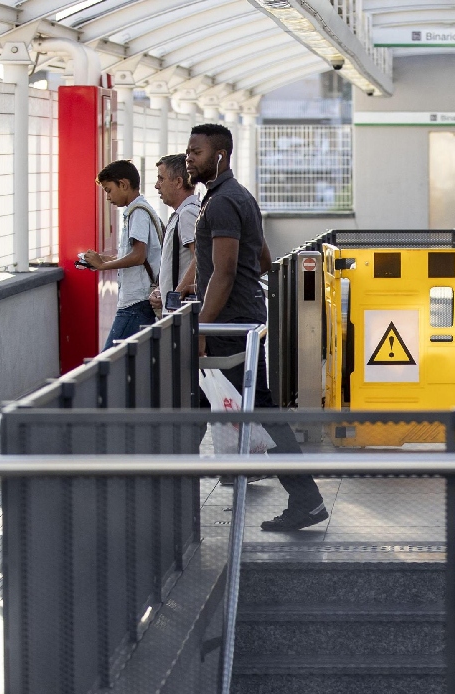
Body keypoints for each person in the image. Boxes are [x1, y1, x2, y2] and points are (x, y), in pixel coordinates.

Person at [185, 123, 327, 531]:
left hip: (227, 326)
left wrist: (202, 327)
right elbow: (260, 260)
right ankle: (171, 498)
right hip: (241, 318)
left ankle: (307, 499)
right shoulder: (238, 196)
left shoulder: (222, 203)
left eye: (195, 152)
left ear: (220, 156)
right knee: (197, 406)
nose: (189, 159)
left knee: (258, 411)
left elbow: (226, 272)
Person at [83, 160, 163, 349]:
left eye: (109, 190)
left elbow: (138, 256)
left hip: (136, 301)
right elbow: (131, 254)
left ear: (124, 185)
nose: (108, 197)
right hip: (139, 300)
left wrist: (103, 266)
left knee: (108, 361)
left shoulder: (138, 213)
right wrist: (103, 259)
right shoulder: (139, 210)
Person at [149, 154, 198, 314]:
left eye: (161, 179)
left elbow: (200, 258)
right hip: (178, 312)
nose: (157, 186)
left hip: (180, 314)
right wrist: (162, 291)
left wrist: (175, 297)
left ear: (178, 182)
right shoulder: (182, 213)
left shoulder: (188, 213)